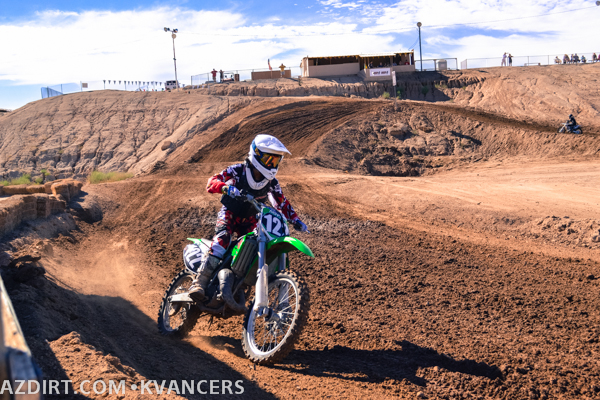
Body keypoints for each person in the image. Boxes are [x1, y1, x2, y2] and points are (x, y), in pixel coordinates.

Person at [187, 134, 308, 302]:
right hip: (230, 214)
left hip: (251, 220)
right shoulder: (238, 171)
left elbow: (281, 202)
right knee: (222, 240)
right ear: (256, 154)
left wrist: (295, 219)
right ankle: (199, 282)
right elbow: (212, 181)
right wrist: (225, 188)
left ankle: (238, 287)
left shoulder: (271, 182)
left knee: (254, 250)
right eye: (269, 159)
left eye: (276, 161)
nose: (272, 165)